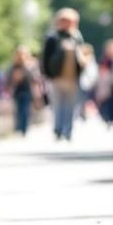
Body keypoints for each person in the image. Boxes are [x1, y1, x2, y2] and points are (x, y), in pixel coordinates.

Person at [42, 8, 86, 141]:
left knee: (71, 105)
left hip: (73, 77)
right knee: (57, 104)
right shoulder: (52, 37)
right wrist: (47, 74)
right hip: (56, 76)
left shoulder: (77, 36)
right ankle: (58, 128)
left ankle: (68, 130)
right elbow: (45, 57)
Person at [5, 45, 42, 136]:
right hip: (17, 90)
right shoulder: (14, 66)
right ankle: (19, 128)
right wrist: (15, 78)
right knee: (18, 110)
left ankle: (24, 129)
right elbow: (8, 79)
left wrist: (37, 94)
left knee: (25, 110)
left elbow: (35, 79)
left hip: (27, 90)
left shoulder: (30, 65)